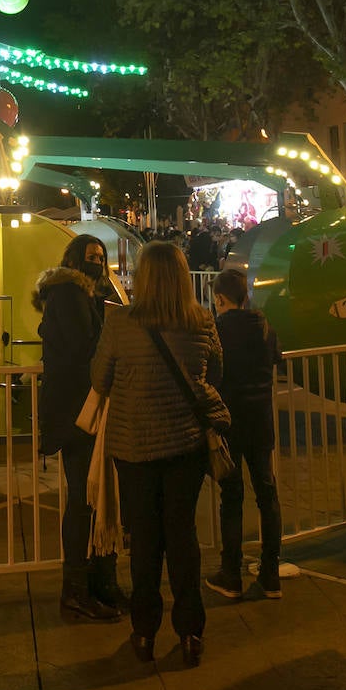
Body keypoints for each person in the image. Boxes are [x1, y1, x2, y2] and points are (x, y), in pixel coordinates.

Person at [90, 241, 229, 668]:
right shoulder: (201, 321)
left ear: (142, 278)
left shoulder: (120, 322)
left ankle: (144, 631)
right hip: (185, 444)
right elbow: (215, 371)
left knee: (145, 541)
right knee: (182, 536)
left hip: (133, 448)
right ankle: (190, 631)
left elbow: (100, 376)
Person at [32, 234, 127, 622]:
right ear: (75, 260)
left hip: (90, 410)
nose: (98, 262)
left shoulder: (85, 296)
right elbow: (86, 349)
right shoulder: (70, 295)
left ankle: (101, 580)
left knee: (100, 495)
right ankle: (77, 588)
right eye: (91, 256)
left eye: (101, 257)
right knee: (85, 498)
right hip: (79, 413)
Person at [205, 267, 283, 601]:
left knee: (232, 497)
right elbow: (274, 360)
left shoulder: (216, 330)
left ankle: (230, 573)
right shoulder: (264, 326)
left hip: (230, 423)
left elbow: (210, 372)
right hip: (261, 420)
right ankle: (271, 574)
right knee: (267, 493)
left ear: (220, 299)